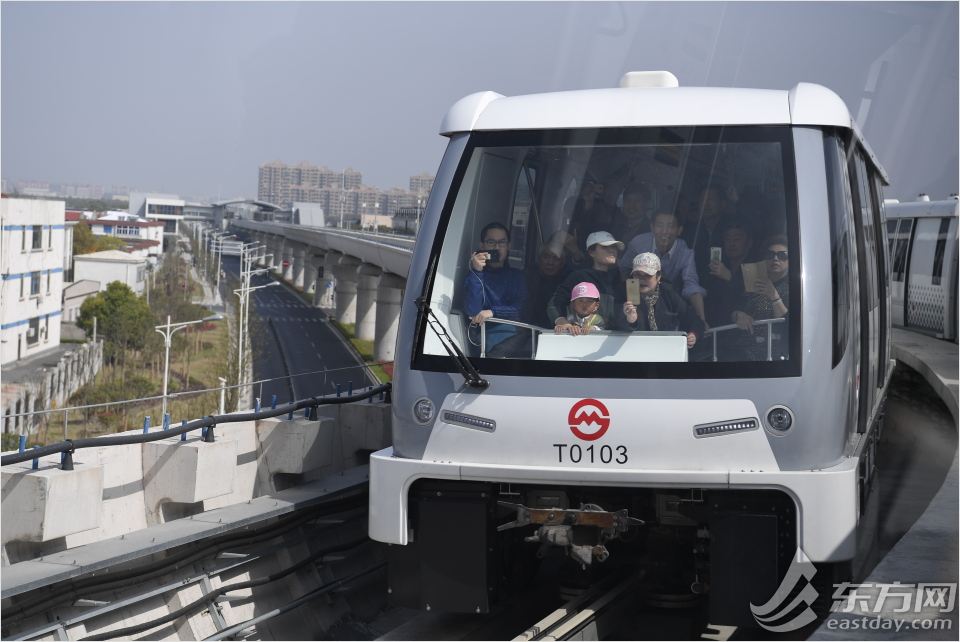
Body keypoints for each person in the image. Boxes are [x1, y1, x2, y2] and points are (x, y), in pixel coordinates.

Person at [618, 210, 707, 326]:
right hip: (638, 298)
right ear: (652, 227)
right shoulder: (638, 244)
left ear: (679, 230)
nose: (665, 231)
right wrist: (633, 296)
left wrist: (702, 320)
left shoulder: (685, 253)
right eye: (660, 225)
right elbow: (624, 269)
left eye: (670, 227)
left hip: (668, 302)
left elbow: (691, 285)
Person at [614, 253, 703, 348]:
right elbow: (617, 323)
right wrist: (631, 319)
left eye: (648, 275)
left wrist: (693, 335)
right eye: (637, 274)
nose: (642, 279)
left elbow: (691, 317)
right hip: (631, 347)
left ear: (658, 276)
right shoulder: (623, 292)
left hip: (662, 347)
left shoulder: (667, 292)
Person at [462, 222, 527, 351]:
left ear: (508, 246)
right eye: (491, 242)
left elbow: (522, 308)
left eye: (502, 243)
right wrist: (477, 271)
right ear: (482, 246)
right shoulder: (474, 276)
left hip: (513, 336)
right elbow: (472, 310)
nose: (497, 247)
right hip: (482, 339)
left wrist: (493, 312)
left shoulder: (517, 276)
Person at [548, 231, 623, 332]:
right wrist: (566, 324)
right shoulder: (579, 277)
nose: (611, 250)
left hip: (617, 339)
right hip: (582, 338)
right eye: (605, 247)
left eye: (614, 247)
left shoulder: (620, 279)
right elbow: (554, 304)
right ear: (591, 252)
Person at [730, 235, 790, 360]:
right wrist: (739, 315)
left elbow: (788, 322)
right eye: (770, 255)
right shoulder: (752, 283)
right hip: (743, 352)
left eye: (782, 255)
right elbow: (732, 307)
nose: (775, 259)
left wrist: (774, 295)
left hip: (777, 355)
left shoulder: (796, 287)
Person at [702, 219, 755, 328]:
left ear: (749, 243)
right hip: (715, 328)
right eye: (728, 239)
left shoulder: (754, 268)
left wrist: (729, 278)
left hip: (743, 329)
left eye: (737, 239)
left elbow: (751, 300)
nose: (732, 243)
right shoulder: (717, 267)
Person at [523, 238, 570, 328]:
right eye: (546, 257)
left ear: (563, 262)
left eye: (556, 258)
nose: (550, 262)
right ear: (539, 258)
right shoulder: (526, 277)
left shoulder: (568, 281)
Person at [609, 182, 651, 247]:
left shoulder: (651, 230)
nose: (631, 205)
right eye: (628, 200)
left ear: (647, 204)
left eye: (637, 200)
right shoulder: (615, 225)